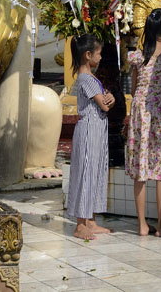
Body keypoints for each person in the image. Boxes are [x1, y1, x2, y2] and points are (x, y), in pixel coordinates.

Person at [125, 9, 161, 236]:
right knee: (160, 169)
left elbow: (134, 88)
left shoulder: (138, 55)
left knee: (141, 168)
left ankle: (142, 225)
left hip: (139, 111)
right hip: (159, 111)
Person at [66, 34, 115, 240]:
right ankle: (80, 224)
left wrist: (109, 97)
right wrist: (110, 99)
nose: (100, 57)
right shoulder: (86, 78)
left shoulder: (89, 78)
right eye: (98, 53)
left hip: (96, 130)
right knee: (86, 173)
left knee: (94, 172)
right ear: (88, 55)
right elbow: (104, 105)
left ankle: (91, 221)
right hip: (89, 131)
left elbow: (104, 101)